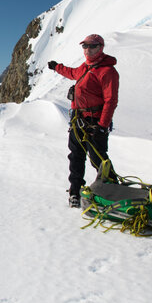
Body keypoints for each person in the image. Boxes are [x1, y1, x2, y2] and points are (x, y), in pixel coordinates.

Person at [48, 34, 120, 207]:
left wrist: (102, 126)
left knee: (98, 158)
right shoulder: (86, 67)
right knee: (76, 156)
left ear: (101, 48)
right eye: (85, 46)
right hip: (78, 120)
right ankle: (75, 190)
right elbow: (72, 73)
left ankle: (111, 191)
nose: (88, 49)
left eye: (92, 46)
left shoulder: (108, 71)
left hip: (94, 122)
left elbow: (111, 101)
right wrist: (57, 67)